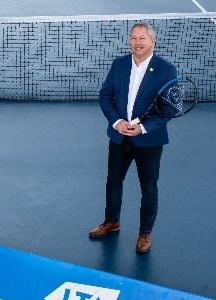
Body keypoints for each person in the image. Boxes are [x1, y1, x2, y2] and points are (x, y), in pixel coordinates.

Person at [91, 22, 177, 253]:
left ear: (152, 42)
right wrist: (117, 122)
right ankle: (112, 221)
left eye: (142, 39)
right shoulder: (119, 65)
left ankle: (145, 233)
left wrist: (143, 128)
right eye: (133, 38)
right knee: (113, 182)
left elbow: (169, 109)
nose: (137, 43)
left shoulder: (167, 70)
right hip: (119, 137)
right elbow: (105, 96)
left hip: (148, 142)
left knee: (148, 189)